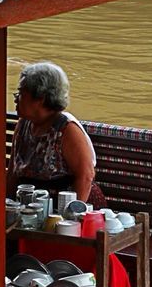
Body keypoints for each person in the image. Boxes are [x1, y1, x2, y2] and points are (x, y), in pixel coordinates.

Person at [8, 61, 103, 205]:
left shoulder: (66, 128)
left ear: (40, 98)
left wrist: (70, 217)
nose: (16, 98)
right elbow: (12, 174)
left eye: (21, 93)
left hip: (71, 207)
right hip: (33, 208)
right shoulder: (24, 124)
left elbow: (86, 176)